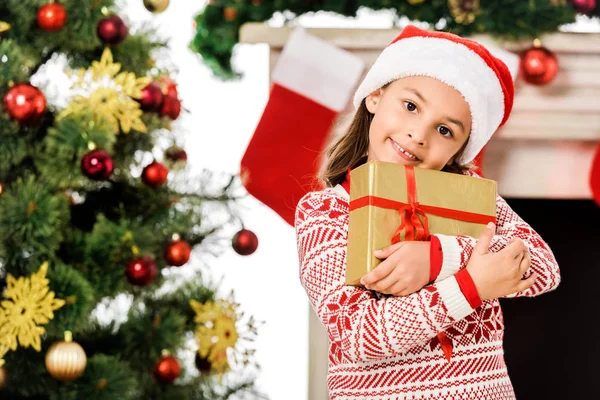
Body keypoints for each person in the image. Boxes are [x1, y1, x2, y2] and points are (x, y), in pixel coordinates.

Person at [294, 25, 561, 400]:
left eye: (444, 130)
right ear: (375, 94)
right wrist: (471, 285)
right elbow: (357, 335)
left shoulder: (472, 197)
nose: (419, 134)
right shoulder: (325, 213)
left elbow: (545, 270)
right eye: (410, 106)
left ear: (459, 151)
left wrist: (441, 258)